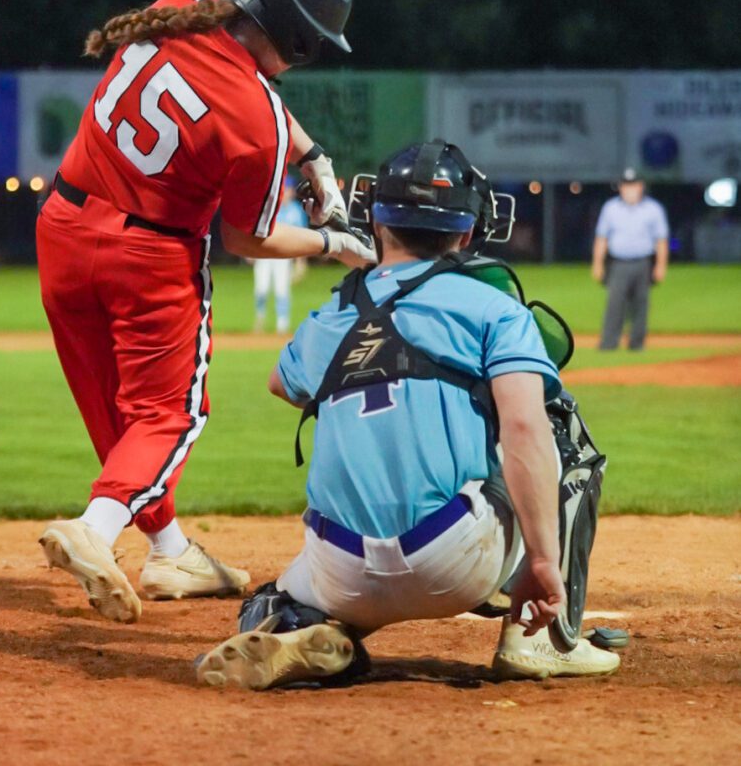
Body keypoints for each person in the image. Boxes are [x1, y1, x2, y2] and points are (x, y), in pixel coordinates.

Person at [194, 141, 622, 689]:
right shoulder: (492, 308)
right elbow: (522, 430)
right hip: (454, 559)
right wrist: (540, 561)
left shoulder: (334, 311)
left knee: (274, 596)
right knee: (553, 426)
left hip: (340, 568)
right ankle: (539, 635)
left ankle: (296, 626)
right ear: (468, 233)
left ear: (374, 221)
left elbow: (283, 383)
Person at [36, 0, 374, 624]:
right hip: (148, 258)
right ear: (298, 41)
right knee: (170, 415)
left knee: (117, 412)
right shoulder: (253, 116)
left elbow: (242, 95)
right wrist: (335, 241)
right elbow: (249, 240)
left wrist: (311, 157)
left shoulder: (181, 5)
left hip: (63, 227)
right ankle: (94, 530)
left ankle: (170, 551)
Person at [592, 167, 670, 351]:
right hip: (618, 263)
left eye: (633, 185)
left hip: (643, 262)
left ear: (641, 186)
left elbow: (661, 240)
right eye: (626, 185)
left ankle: (637, 344)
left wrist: (660, 265)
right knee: (615, 303)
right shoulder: (611, 208)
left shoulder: (653, 209)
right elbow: (601, 238)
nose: (630, 189)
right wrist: (597, 264)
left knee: (641, 304)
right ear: (620, 187)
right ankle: (609, 343)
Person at [252, 176, 307, 334]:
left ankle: (282, 324)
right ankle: (260, 319)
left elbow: (301, 237)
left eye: (288, 189)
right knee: (261, 289)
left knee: (282, 290)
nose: (286, 193)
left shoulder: (296, 210)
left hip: (284, 256)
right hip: (264, 255)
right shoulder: (268, 207)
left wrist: (300, 262)